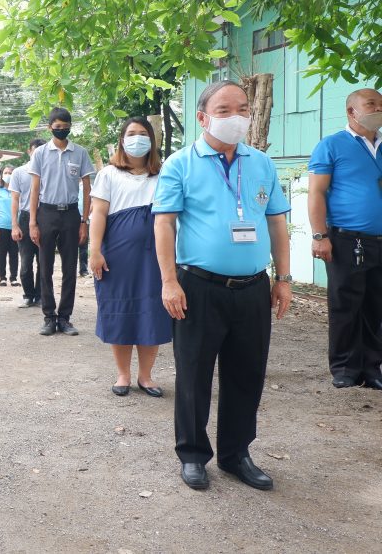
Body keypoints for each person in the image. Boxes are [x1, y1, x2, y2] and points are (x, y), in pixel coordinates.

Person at [153, 80, 292, 492]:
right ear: (203, 117)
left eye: (243, 109)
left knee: (247, 374)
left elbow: (277, 223)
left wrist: (283, 279)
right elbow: (164, 224)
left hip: (252, 289)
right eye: (225, 110)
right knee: (194, 374)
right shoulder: (180, 164)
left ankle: (236, 454)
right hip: (198, 287)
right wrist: (169, 282)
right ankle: (193, 455)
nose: (237, 117)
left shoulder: (261, 163)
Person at [89, 118, 171, 397]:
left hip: (155, 257)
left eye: (143, 134)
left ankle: (146, 376)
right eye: (131, 134)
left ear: (152, 140)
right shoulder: (109, 174)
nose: (137, 139)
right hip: (117, 256)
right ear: (122, 140)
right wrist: (94, 250)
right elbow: (99, 213)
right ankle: (122, 374)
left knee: (152, 312)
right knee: (120, 312)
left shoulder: (164, 175)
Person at [307, 88, 382, 390]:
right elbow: (316, 192)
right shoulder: (331, 145)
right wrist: (319, 235)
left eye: (381, 104)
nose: (378, 109)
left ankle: (372, 368)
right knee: (345, 306)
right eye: (371, 104)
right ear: (352, 111)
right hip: (346, 240)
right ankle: (345, 368)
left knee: (376, 306)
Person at [28, 108, 95, 336]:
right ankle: (49, 317)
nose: (62, 130)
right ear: (50, 128)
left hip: (71, 214)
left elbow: (87, 189)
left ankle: (65, 318)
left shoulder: (80, 153)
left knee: (70, 268)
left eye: (66, 127)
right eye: (57, 127)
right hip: (46, 213)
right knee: (45, 266)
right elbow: (34, 189)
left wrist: (84, 222)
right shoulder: (40, 154)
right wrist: (33, 222)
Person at [10, 138, 45, 307]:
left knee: (43, 261)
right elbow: (15, 199)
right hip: (25, 217)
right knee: (25, 262)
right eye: (35, 151)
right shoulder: (19, 172)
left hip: (45, 217)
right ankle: (28, 295)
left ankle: (40, 296)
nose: (38, 155)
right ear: (29, 151)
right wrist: (14, 225)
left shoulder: (49, 171)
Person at [0, 165, 19, 287]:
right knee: (1, 253)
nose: (8, 175)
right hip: (1, 226)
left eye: (10, 173)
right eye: (5, 173)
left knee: (14, 253)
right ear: (1, 175)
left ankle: (13, 278)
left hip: (15, 226)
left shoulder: (17, 190)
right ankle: (2, 277)